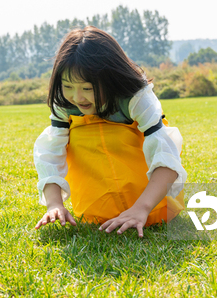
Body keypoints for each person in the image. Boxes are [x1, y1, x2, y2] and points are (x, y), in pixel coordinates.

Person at [33, 26, 186, 237]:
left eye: (87, 88)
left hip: (153, 207)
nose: (77, 98)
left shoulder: (136, 97)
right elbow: (50, 153)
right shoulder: (63, 104)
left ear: (110, 78)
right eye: (68, 86)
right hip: (94, 210)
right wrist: (54, 204)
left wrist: (140, 210)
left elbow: (166, 155)